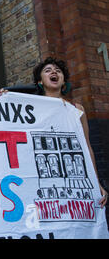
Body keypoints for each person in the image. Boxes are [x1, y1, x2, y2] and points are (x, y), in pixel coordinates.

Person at [33, 57, 107, 207]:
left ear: (63, 80)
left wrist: (95, 181)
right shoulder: (32, 108)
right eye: (48, 70)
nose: (54, 72)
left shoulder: (77, 109)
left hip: (75, 173)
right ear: (40, 82)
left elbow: (87, 147)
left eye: (58, 71)